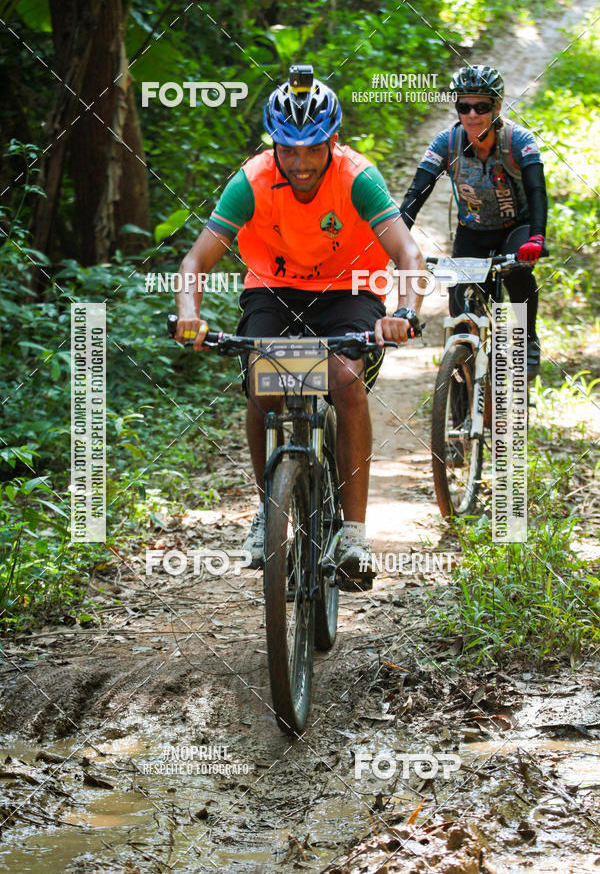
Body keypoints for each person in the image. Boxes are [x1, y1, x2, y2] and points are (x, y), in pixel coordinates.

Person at [174, 64, 426, 590]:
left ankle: (354, 533)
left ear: (332, 141)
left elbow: (406, 252)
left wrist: (401, 312)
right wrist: (190, 313)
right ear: (274, 146)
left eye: (313, 148)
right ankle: (268, 512)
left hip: (347, 290)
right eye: (288, 149)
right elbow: (196, 261)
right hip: (273, 289)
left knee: (344, 379)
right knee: (265, 389)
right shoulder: (253, 181)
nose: (301, 162)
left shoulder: (357, 177)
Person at [399, 64, 547, 377]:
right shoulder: (447, 143)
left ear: (496, 107)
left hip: (514, 229)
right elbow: (415, 195)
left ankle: (527, 339)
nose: (472, 115)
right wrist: (396, 241)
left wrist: (536, 237)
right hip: (473, 231)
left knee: (518, 274)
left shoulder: (517, 141)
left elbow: (536, 191)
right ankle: (460, 389)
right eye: (464, 106)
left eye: (481, 107)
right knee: (459, 305)